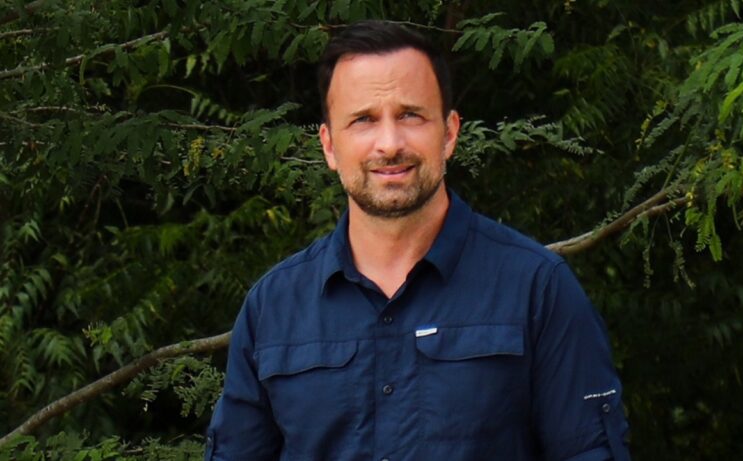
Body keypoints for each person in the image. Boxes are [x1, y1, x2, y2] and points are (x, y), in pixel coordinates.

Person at [205, 20, 631, 461]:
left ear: (449, 133)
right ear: (329, 145)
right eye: (364, 120)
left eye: (410, 115)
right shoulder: (273, 308)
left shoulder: (537, 289)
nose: (389, 144)